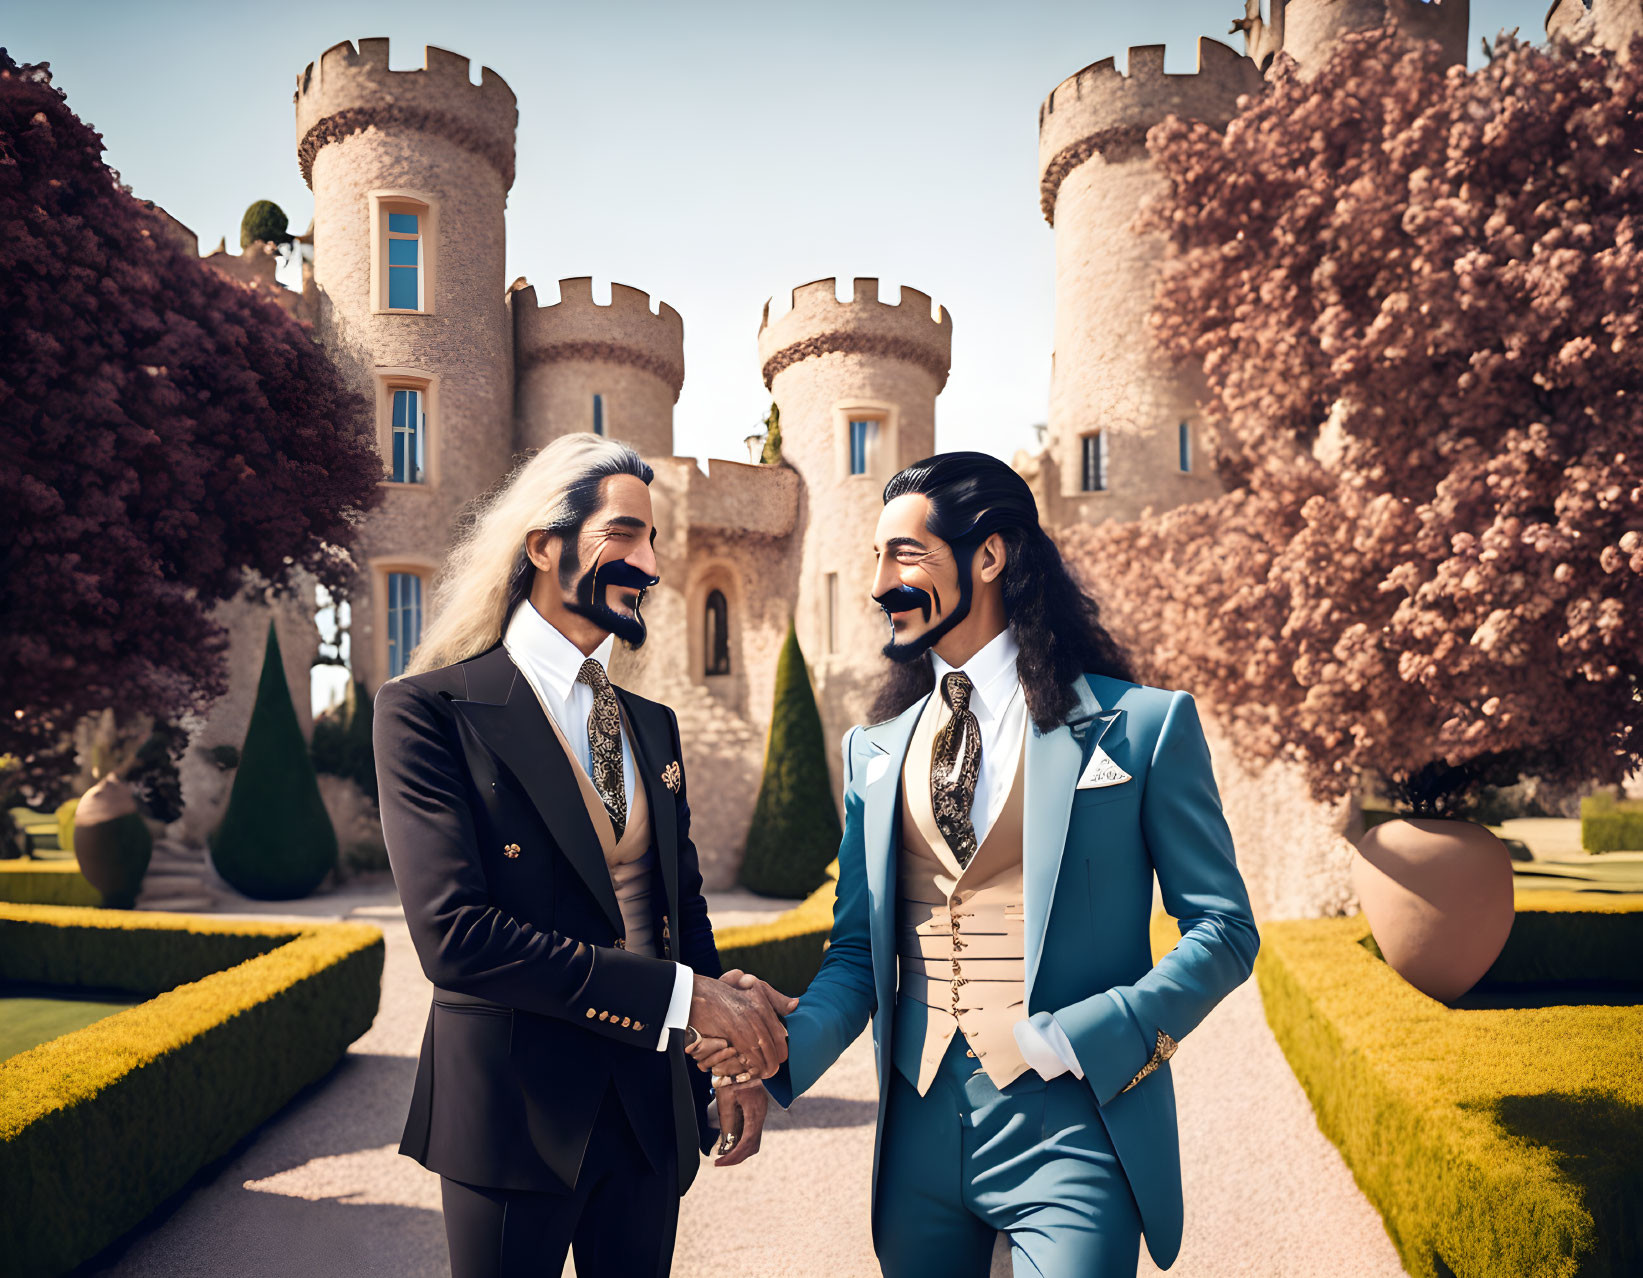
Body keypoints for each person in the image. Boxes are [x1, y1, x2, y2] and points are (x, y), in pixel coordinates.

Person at [696, 450, 1260, 1276]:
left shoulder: (1139, 728)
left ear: (989, 555)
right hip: (919, 1139)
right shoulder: (873, 751)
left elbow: (1224, 929)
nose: (880, 583)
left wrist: (1091, 1035)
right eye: (875, 559)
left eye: (905, 555)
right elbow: (857, 957)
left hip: (1075, 1129)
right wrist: (771, 1054)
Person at [373, 433, 792, 1278]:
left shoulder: (651, 724)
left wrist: (727, 1061)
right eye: (625, 535)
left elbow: (681, 908)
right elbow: (457, 939)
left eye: (652, 542)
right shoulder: (429, 712)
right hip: (512, 1115)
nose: (649, 565)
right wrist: (687, 1000)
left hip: (646, 1114)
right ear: (542, 545)